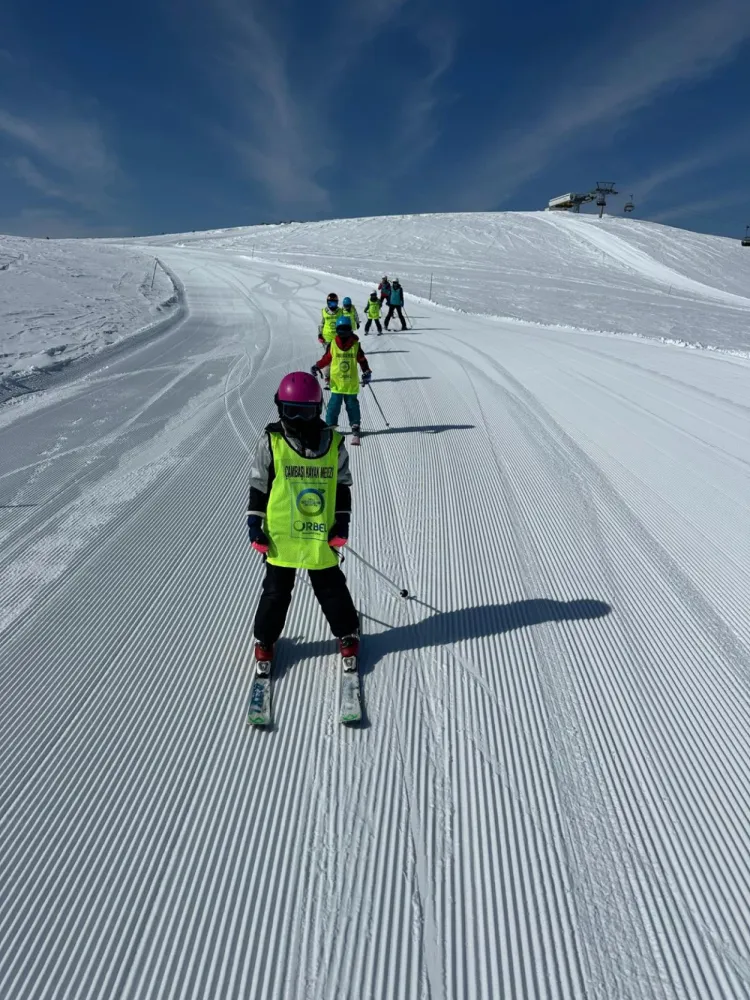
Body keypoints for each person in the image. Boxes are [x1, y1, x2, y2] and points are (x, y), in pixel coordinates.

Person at [246, 371, 360, 669]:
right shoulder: (271, 441)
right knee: (276, 591)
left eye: (305, 412)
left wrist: (342, 522)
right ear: (279, 408)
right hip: (281, 534)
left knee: (331, 588)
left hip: (319, 532)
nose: (297, 419)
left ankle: (347, 634)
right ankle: (265, 641)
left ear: (318, 409)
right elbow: (259, 485)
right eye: (290, 411)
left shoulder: (333, 443)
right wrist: (255, 525)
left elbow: (341, 485)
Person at [311, 314, 371, 440]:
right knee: (334, 405)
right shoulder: (332, 344)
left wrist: (366, 371)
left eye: (346, 329)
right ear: (337, 330)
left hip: (350, 382)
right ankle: (330, 425)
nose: (343, 332)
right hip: (337, 382)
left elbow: (362, 360)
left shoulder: (355, 345)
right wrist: (317, 366)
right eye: (340, 329)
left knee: (352, 405)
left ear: (350, 329)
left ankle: (355, 424)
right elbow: (326, 358)